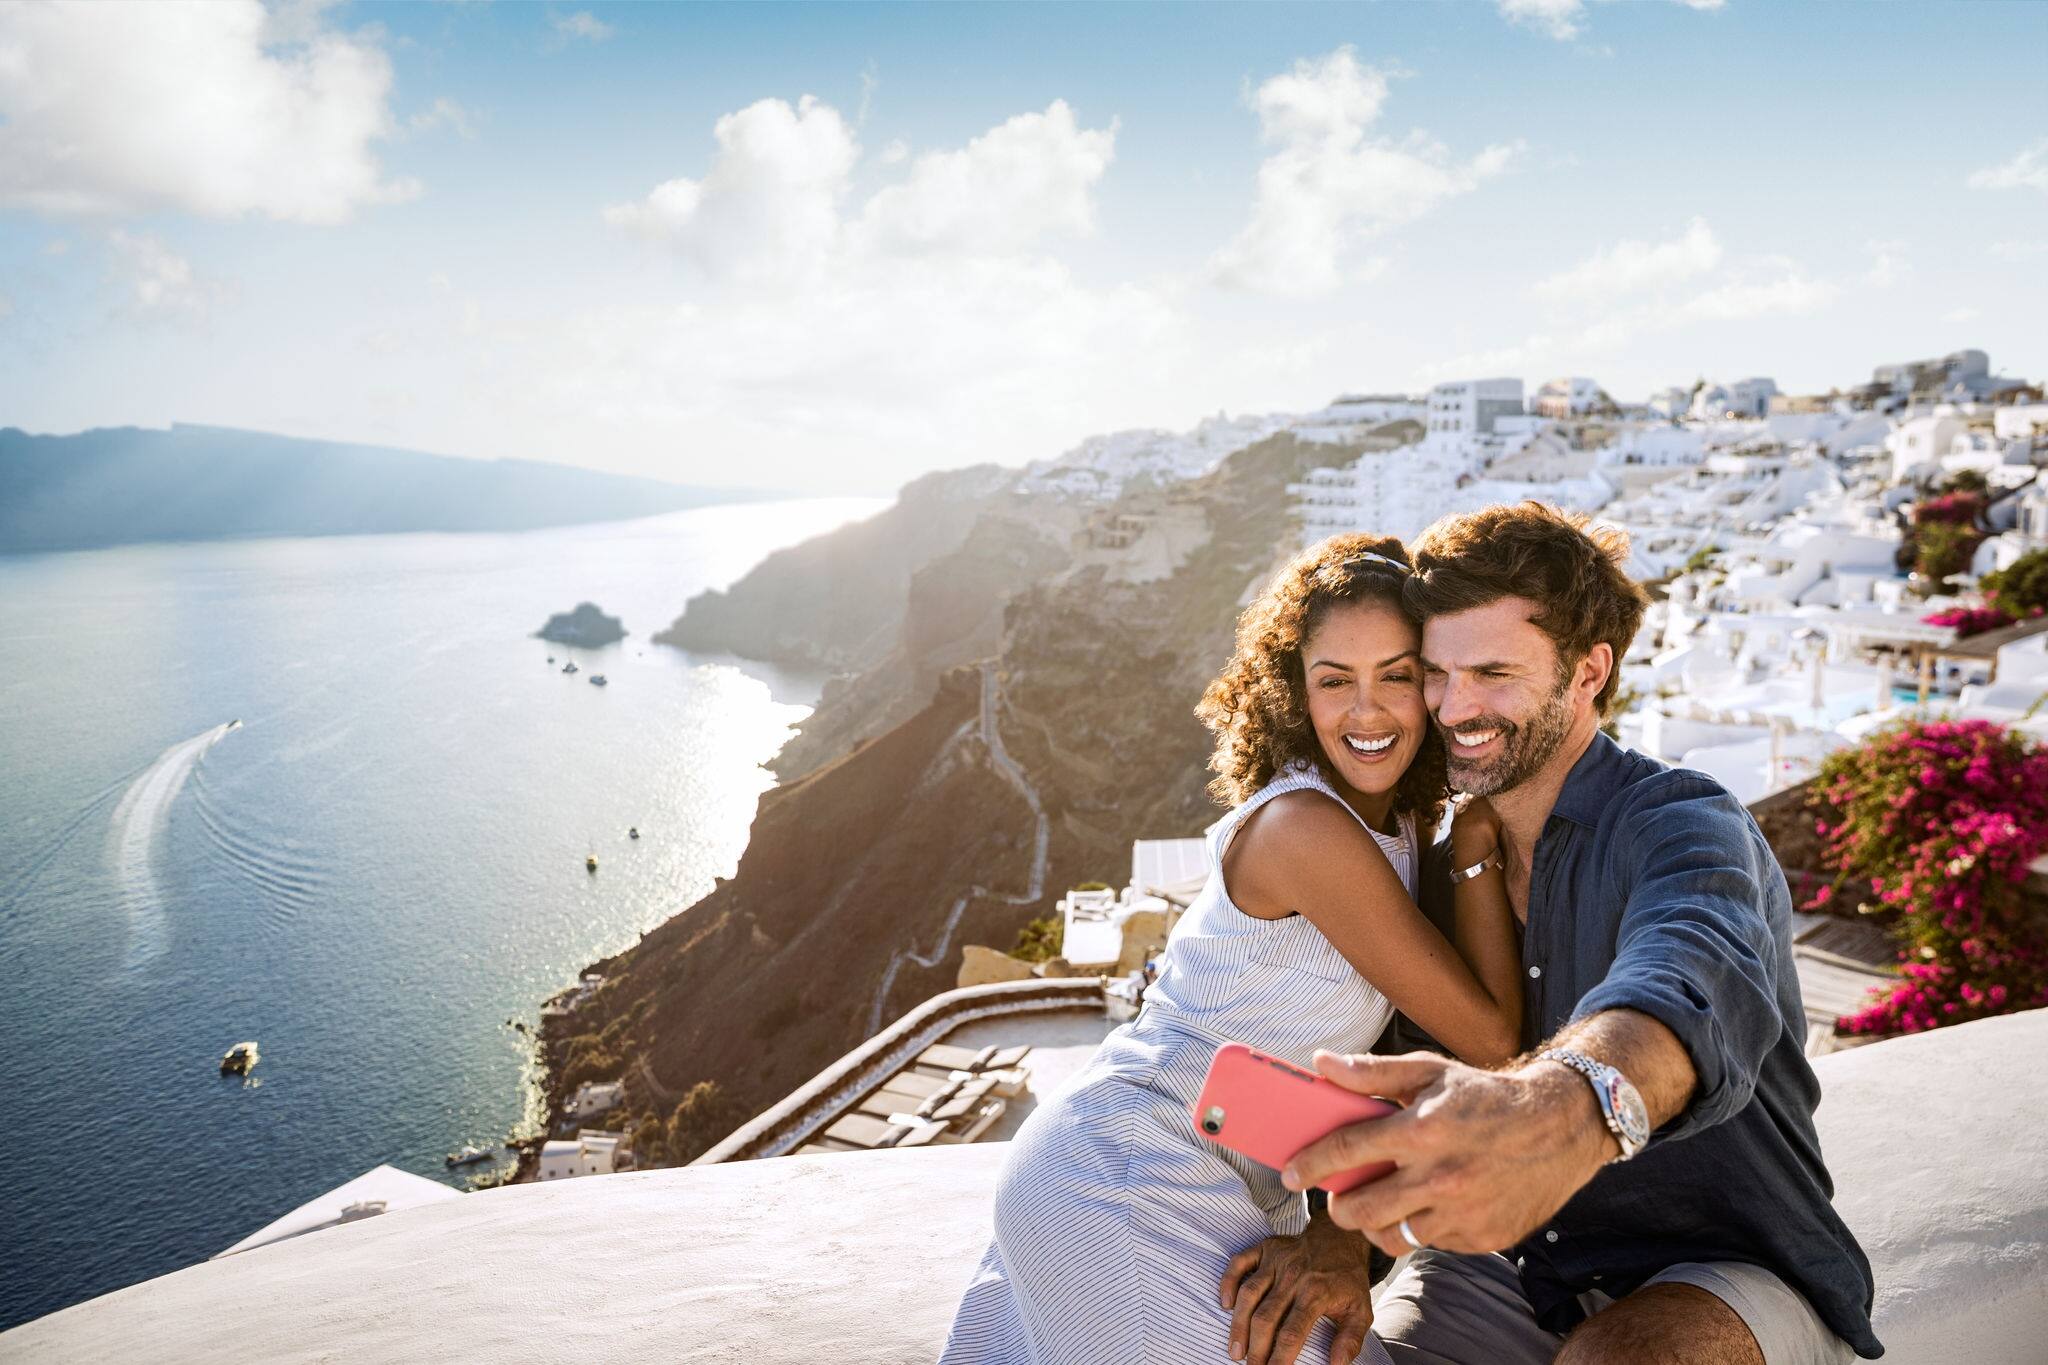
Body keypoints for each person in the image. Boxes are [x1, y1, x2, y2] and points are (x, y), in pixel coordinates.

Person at [1222, 503, 1879, 1365]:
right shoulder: (1443, 859)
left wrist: (1561, 1105)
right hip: (1522, 1269)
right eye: (1437, 672)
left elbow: (1687, 976)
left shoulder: (1682, 821)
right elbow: (1384, 1075)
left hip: (1727, 1268)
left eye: (1493, 670)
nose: (1457, 707)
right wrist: (1341, 1239)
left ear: (1587, 671)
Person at [938, 534, 1525, 1364]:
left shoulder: (1390, 829)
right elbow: (1495, 1041)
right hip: (1126, 1164)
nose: (1366, 712)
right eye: (1333, 681)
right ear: (1294, 695)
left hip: (1221, 1180)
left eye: (1395, 674)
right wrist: (1478, 835)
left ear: (1431, 683)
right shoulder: (1306, 829)